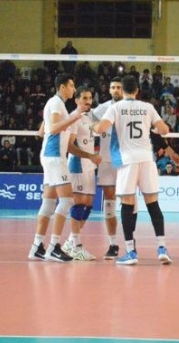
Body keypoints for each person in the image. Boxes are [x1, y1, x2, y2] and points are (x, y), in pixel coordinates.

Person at [91, 75, 172, 266]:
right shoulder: (147, 107)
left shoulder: (115, 107)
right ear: (137, 91)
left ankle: (130, 252)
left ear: (122, 91)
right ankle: (162, 247)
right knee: (153, 204)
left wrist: (92, 125)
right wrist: (153, 128)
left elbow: (100, 128)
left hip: (127, 161)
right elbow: (165, 130)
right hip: (147, 159)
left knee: (127, 204)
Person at [27, 73, 82, 263]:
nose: (74, 89)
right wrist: (76, 115)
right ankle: (53, 247)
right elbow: (54, 128)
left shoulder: (53, 103)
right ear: (62, 87)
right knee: (67, 201)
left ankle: (36, 246)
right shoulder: (57, 103)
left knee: (49, 202)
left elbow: (41, 131)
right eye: (72, 85)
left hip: (49, 156)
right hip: (55, 158)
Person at [62, 88, 102, 261]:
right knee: (79, 203)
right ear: (76, 100)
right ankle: (76, 245)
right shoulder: (74, 118)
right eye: (84, 98)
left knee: (88, 204)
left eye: (90, 97)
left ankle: (71, 241)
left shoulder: (92, 116)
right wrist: (89, 156)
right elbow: (69, 146)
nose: (88, 100)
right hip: (77, 164)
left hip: (90, 165)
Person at [92, 77, 124, 259]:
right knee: (109, 201)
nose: (116, 90)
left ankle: (130, 241)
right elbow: (87, 125)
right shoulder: (102, 109)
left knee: (129, 202)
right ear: (109, 90)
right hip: (106, 161)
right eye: (113, 87)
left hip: (126, 161)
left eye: (119, 87)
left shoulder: (130, 108)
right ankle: (113, 244)